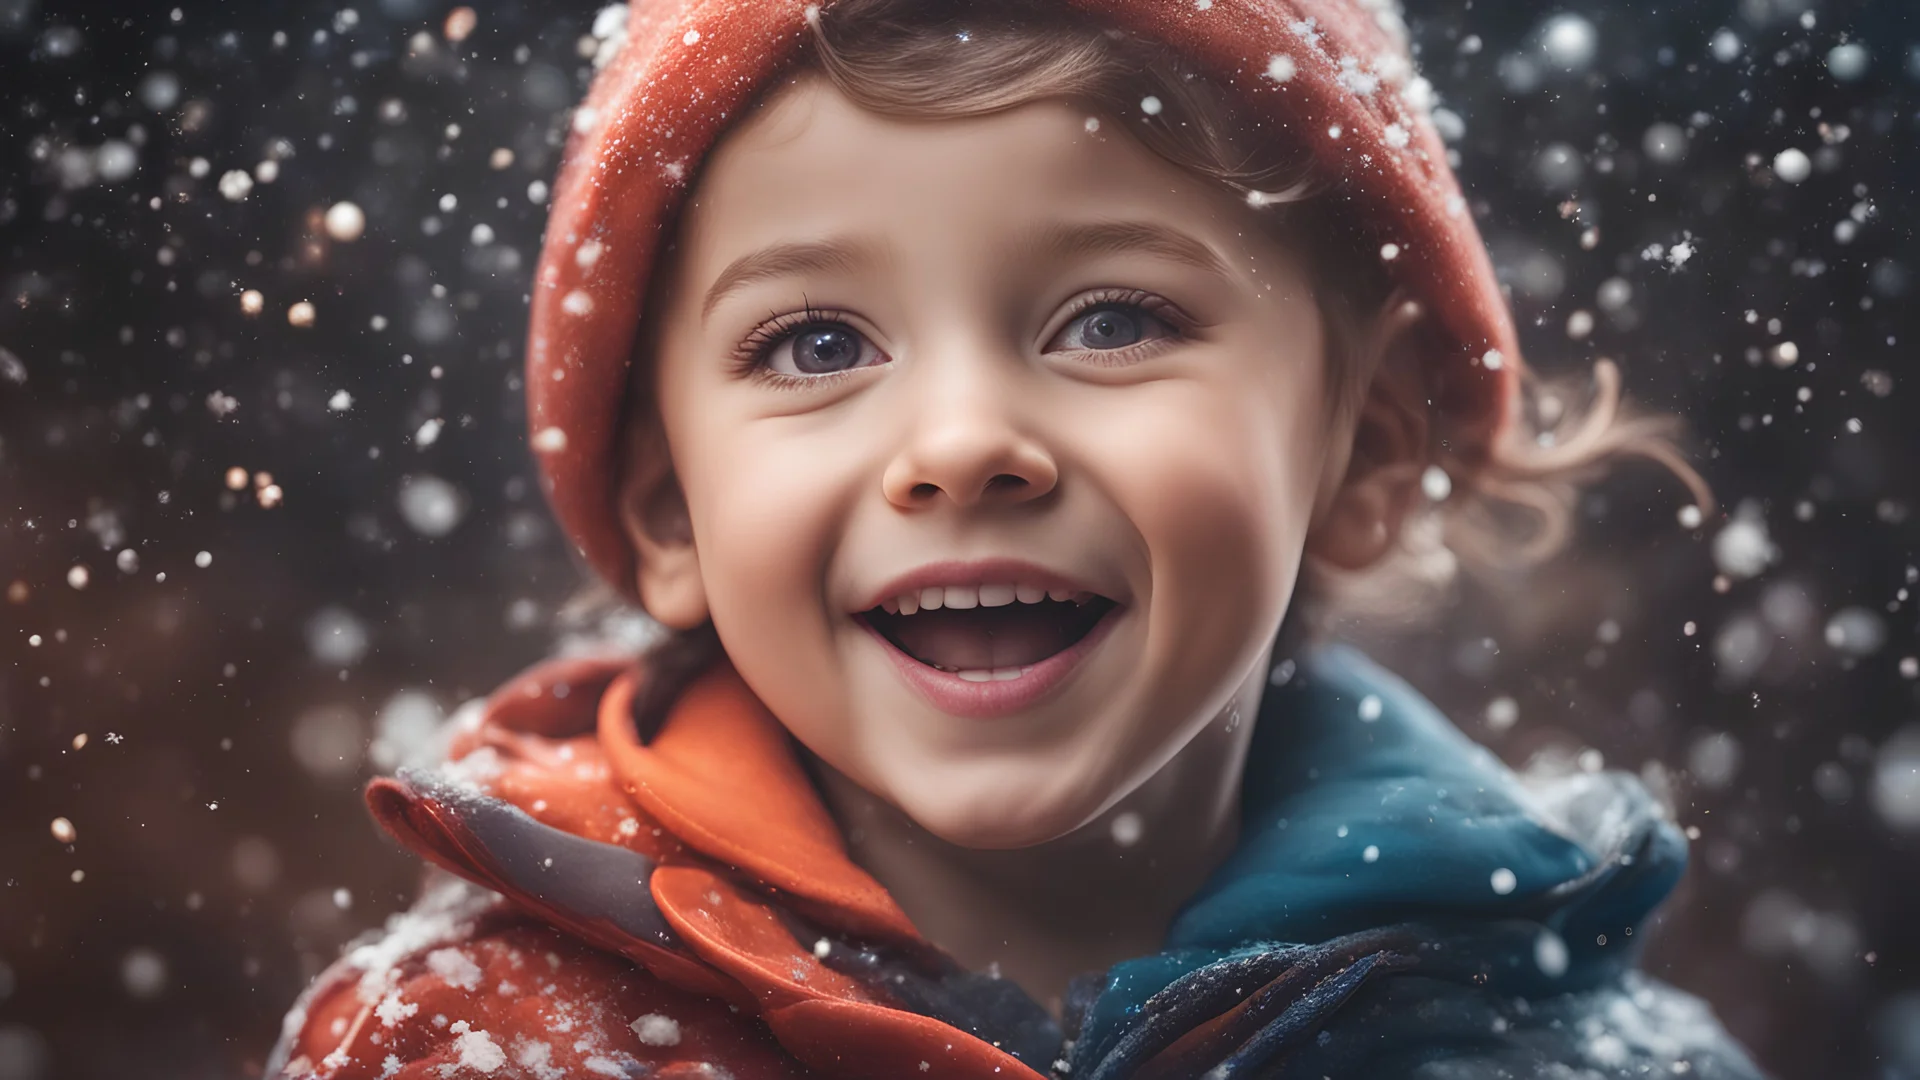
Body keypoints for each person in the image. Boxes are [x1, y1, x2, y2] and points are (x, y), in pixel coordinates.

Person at [269, 0, 1766, 1076]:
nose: (964, 444)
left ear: (1360, 448)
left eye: (1112, 319)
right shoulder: (469, 1048)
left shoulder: (1592, 1057)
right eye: (813, 344)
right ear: (673, 513)